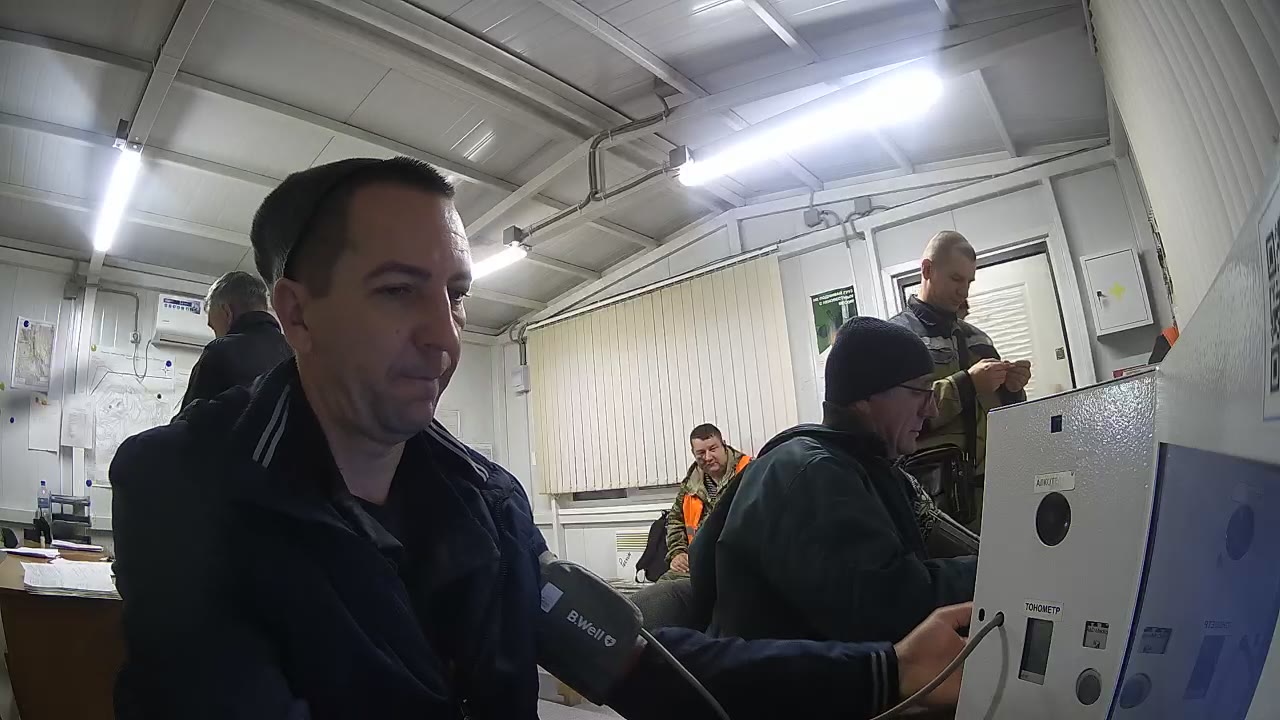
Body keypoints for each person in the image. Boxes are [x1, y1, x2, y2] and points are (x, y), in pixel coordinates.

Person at [112, 157, 974, 720]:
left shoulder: (485, 503)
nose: (444, 337)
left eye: (455, 295)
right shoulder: (182, 490)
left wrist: (888, 669)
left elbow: (631, 660)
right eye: (398, 291)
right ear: (296, 313)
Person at [702, 317, 978, 645]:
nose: (931, 409)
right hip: (791, 675)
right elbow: (889, 605)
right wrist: (995, 572)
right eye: (921, 391)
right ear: (865, 396)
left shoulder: (864, 466)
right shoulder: (813, 474)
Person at [889, 231, 1030, 529]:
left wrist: (1013, 391)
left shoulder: (978, 339)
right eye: (956, 279)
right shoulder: (895, 338)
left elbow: (1001, 417)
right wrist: (967, 385)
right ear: (927, 270)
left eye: (969, 282)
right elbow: (895, 421)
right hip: (932, 501)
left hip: (993, 492)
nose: (963, 291)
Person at [179, 270, 293, 408]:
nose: (216, 334)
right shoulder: (295, 353)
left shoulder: (218, 352)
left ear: (227, 312)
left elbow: (189, 419)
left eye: (214, 327)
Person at [664, 424, 750, 578]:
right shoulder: (690, 484)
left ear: (723, 445)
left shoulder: (750, 473)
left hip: (741, 565)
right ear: (693, 453)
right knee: (664, 587)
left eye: (713, 449)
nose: (708, 457)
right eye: (701, 453)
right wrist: (678, 553)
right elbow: (675, 520)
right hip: (698, 565)